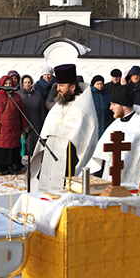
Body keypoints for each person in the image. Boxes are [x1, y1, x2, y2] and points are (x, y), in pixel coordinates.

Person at [29, 63, 100, 191]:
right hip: (51, 157)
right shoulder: (58, 106)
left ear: (73, 87)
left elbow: (86, 140)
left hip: (70, 161)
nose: (58, 89)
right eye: (57, 85)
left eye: (61, 86)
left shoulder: (83, 108)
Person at [88, 84, 140, 187]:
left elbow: (126, 157)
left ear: (124, 105)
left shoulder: (138, 127)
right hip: (109, 175)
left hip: (130, 182)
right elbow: (100, 150)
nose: (110, 108)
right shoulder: (117, 123)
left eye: (113, 104)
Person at [0, 75, 27, 175]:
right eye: (6, 83)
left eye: (9, 83)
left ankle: (10, 166)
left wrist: (25, 127)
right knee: (1, 150)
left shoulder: (16, 97)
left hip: (14, 128)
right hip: (1, 129)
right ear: (2, 84)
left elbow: (22, 113)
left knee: (11, 150)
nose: (8, 85)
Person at [18, 74, 48, 158]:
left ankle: (34, 161)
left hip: (36, 122)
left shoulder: (37, 94)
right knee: (24, 144)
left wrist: (42, 121)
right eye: (25, 82)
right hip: (23, 123)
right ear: (22, 83)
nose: (27, 84)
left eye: (29, 82)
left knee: (35, 145)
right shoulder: (18, 95)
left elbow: (42, 110)